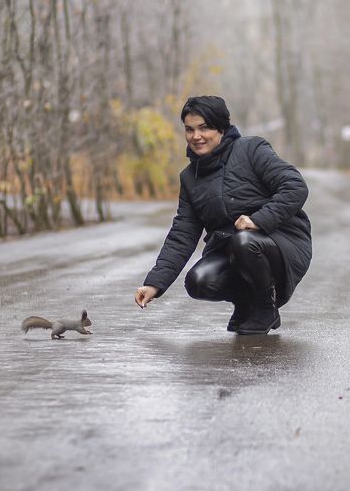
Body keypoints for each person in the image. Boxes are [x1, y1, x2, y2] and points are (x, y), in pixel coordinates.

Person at [134, 96, 312, 334]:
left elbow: (295, 187)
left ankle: (264, 306)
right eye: (190, 129)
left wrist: (259, 219)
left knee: (245, 241)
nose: (196, 136)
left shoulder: (251, 149)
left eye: (204, 127)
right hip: (233, 249)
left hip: (282, 242)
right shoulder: (190, 178)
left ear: (221, 127)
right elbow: (182, 234)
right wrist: (155, 283)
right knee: (198, 281)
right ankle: (246, 302)